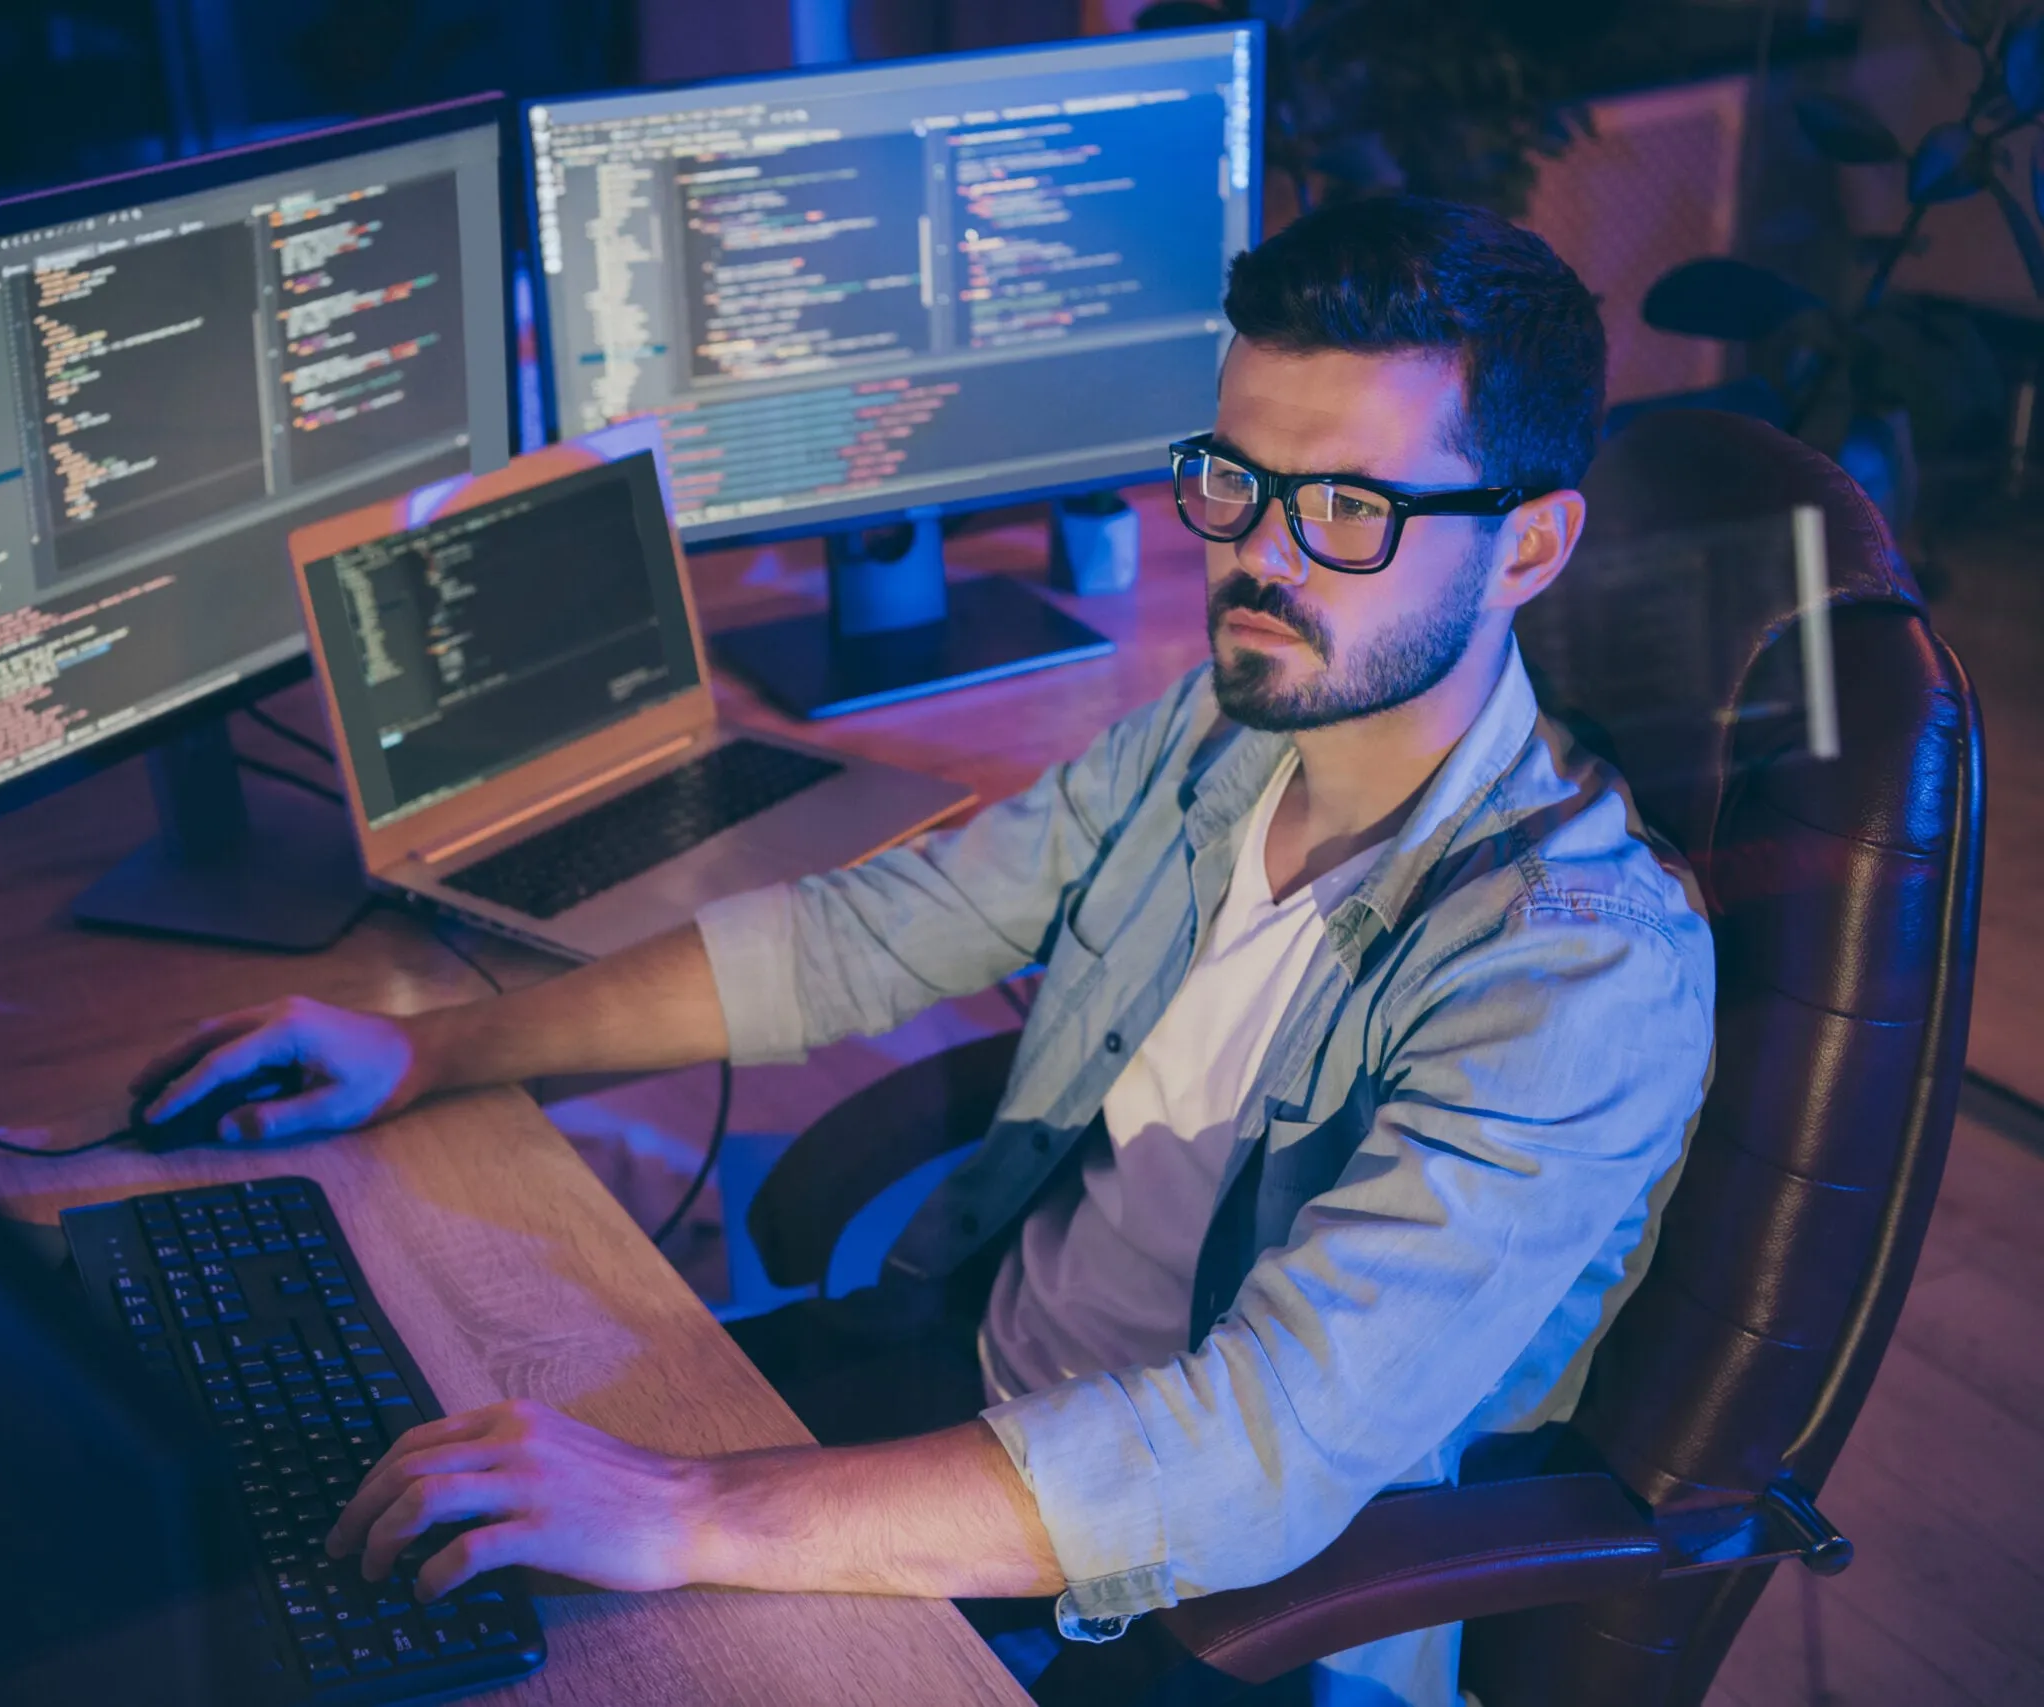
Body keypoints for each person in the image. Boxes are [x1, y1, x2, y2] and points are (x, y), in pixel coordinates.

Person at [134, 197, 1716, 1705]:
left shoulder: (1580, 975)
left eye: (1352, 509)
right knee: (350, 1510)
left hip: (1193, 1610)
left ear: (1528, 547)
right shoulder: (1230, 730)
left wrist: (691, 1510)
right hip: (961, 1389)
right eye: (1233, 479)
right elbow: (869, 931)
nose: (1262, 561)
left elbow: (1258, 1453)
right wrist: (432, 1050)